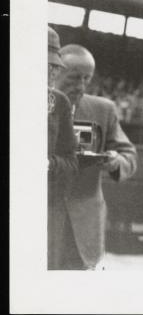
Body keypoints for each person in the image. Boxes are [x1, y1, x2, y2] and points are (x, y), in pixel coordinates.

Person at [55, 44, 138, 270]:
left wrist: (115, 161)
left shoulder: (103, 109)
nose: (80, 86)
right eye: (73, 78)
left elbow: (128, 155)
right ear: (54, 71)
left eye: (86, 79)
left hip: (84, 223)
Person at [47, 26, 79, 269]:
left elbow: (71, 160)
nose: (52, 69)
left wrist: (49, 163)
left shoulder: (59, 102)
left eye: (55, 64)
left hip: (45, 204)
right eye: (45, 62)